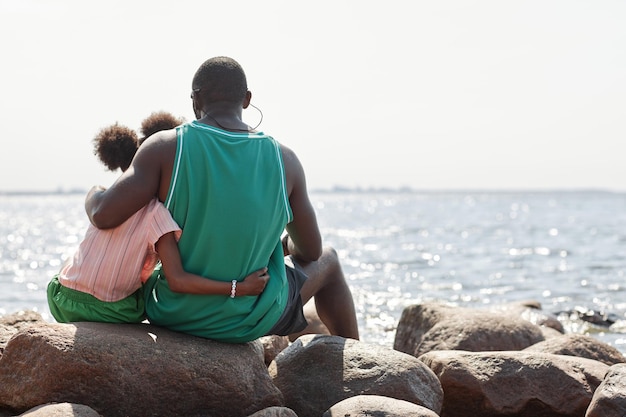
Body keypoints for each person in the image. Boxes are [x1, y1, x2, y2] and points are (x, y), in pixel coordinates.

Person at [85, 56, 360, 342]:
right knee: (329, 259)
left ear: (195, 99)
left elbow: (104, 215)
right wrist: (278, 247)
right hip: (250, 319)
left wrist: (94, 193)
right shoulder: (285, 161)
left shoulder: (165, 147)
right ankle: (357, 361)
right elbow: (311, 251)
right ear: (247, 99)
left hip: (172, 313)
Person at [48, 111, 269, 323]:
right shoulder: (158, 215)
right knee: (157, 274)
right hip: (112, 312)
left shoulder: (105, 197)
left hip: (62, 300)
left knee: (75, 259)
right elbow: (178, 281)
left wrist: (95, 190)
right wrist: (239, 289)